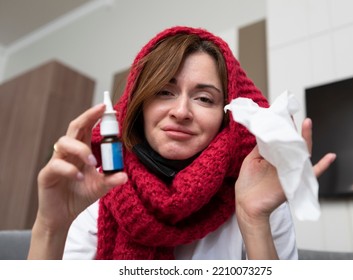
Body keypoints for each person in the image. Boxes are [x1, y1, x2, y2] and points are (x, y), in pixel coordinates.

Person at [28, 26, 336, 260]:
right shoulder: (96, 203)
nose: (181, 111)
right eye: (164, 91)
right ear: (139, 105)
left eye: (204, 98)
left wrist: (253, 219)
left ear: (225, 117)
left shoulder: (257, 196)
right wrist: (49, 227)